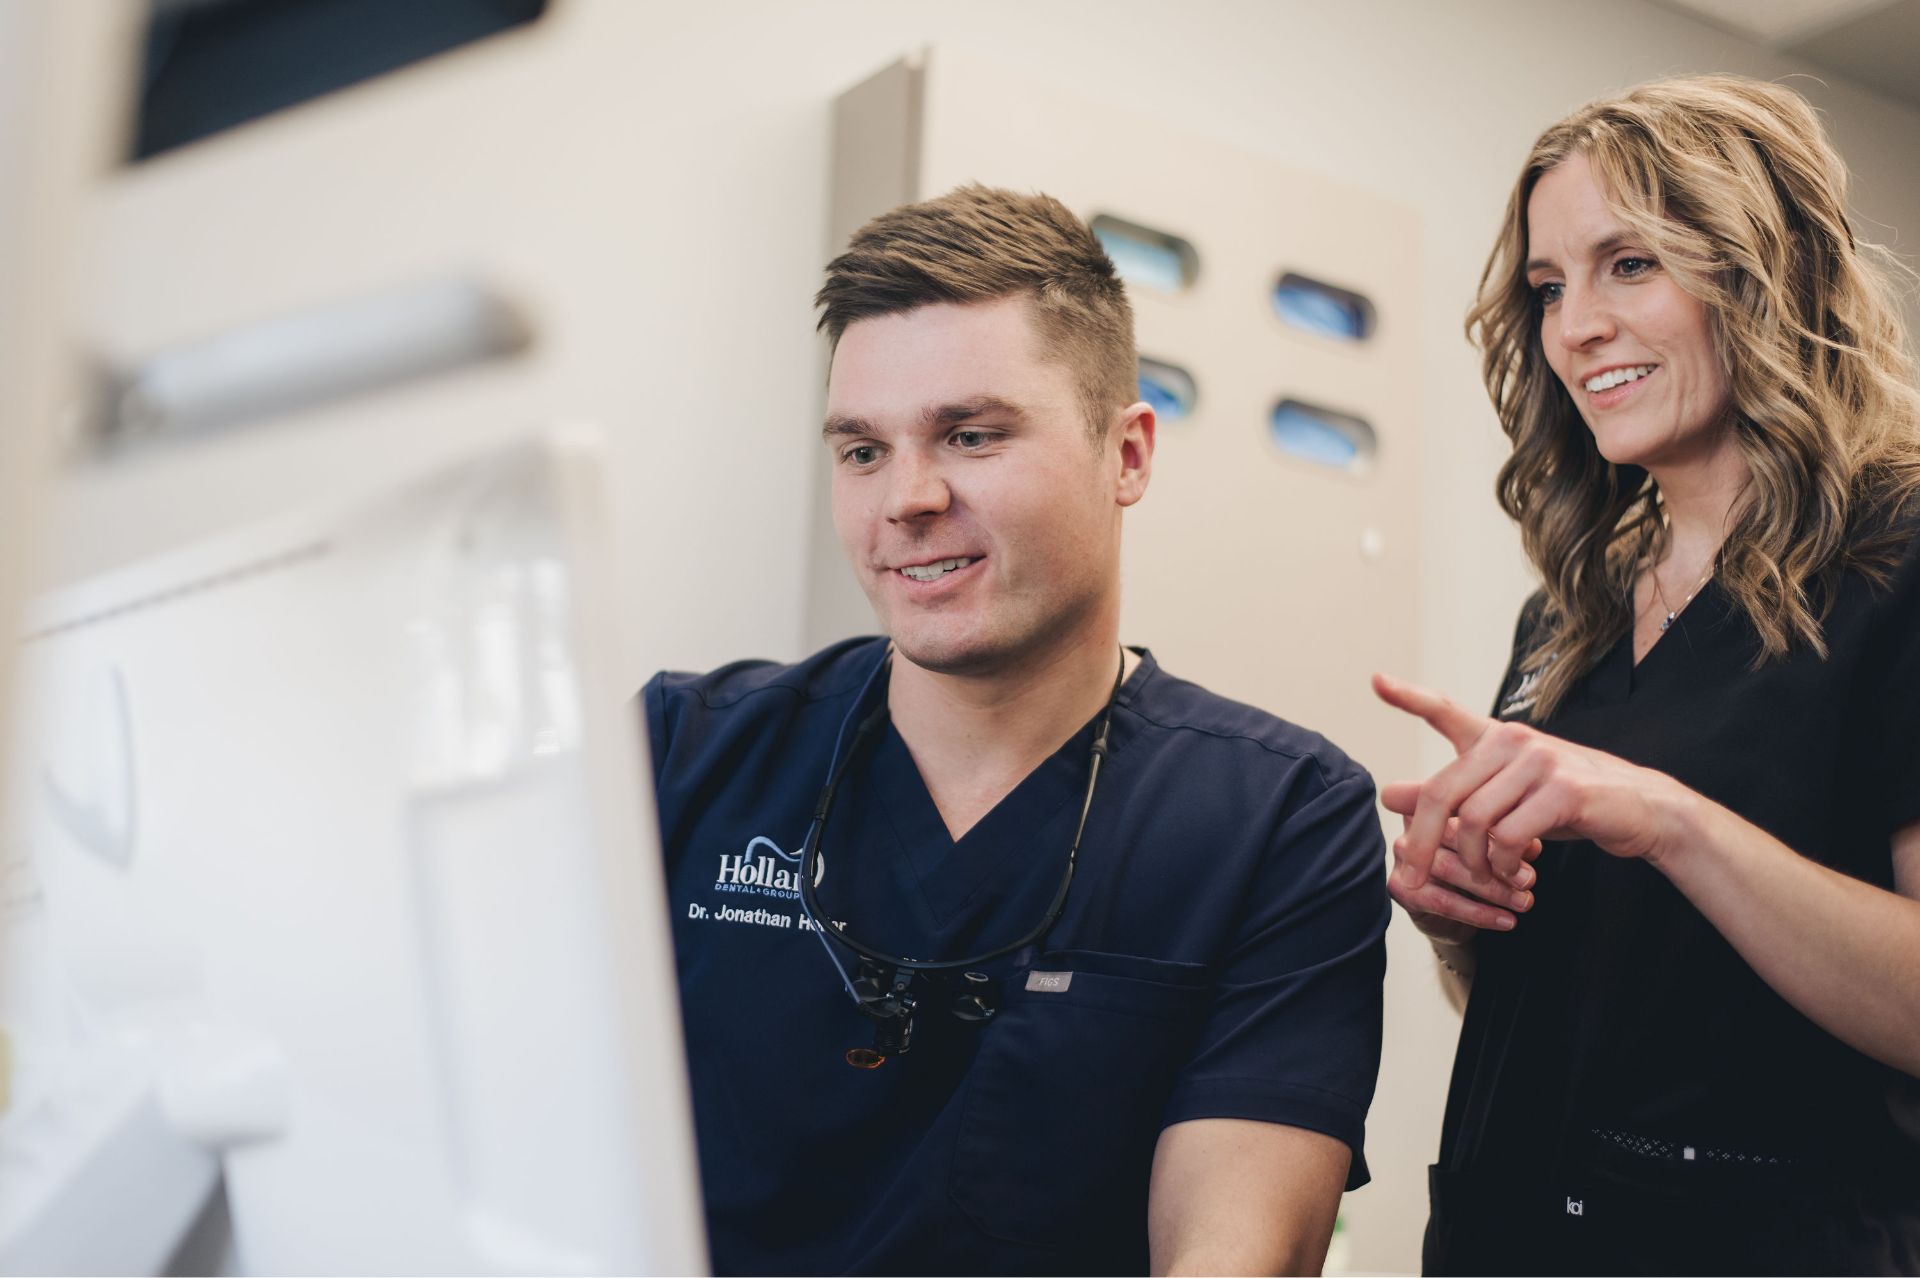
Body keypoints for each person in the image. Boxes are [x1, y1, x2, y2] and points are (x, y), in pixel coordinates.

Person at [640, 185, 1388, 1275]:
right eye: (861, 451)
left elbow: (1234, 1255)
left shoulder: (1277, 820)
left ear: (1127, 454)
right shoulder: (683, 755)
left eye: (972, 435)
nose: (907, 498)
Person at [1372, 76, 1920, 1274]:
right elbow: (1607, 995)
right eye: (1550, 287)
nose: (1575, 328)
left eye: (1631, 264)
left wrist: (1672, 823)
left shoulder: (1899, 557)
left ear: (1765, 269)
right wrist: (1467, 908)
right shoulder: (1569, 611)